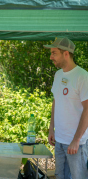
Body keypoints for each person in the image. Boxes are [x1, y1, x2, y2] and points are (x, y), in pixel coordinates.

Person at [43, 37, 88, 179]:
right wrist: (51, 129)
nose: (51, 57)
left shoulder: (82, 77)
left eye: (54, 53)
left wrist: (76, 139)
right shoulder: (58, 75)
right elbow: (56, 101)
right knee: (60, 176)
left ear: (66, 54)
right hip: (60, 140)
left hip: (77, 144)